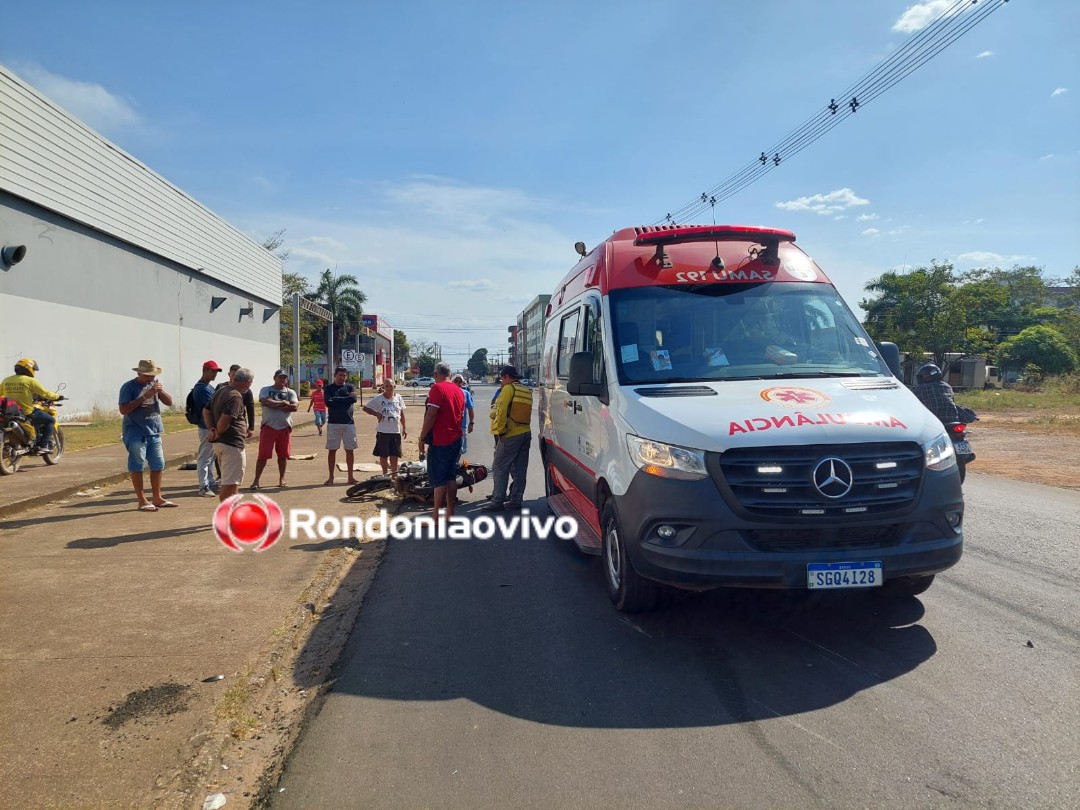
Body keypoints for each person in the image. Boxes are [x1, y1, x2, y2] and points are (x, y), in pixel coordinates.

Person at [118, 359, 177, 511]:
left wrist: (160, 391)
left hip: (154, 430)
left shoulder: (154, 385)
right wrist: (144, 397)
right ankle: (142, 500)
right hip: (135, 431)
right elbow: (123, 410)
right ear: (139, 373)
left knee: (158, 465)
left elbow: (169, 402)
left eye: (152, 375)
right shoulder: (128, 387)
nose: (150, 378)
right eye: (147, 376)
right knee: (137, 465)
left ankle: (157, 497)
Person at [416, 362, 465, 519]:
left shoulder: (437, 388)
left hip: (441, 439)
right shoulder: (459, 391)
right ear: (450, 374)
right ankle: (450, 513)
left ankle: (436, 515)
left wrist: (422, 437)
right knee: (451, 476)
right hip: (456, 438)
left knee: (439, 479)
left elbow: (431, 414)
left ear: (436, 374)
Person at [484, 364, 533, 512]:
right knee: (520, 469)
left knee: (499, 467)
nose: (502, 382)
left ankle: (497, 501)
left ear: (507, 377)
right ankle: (516, 499)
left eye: (502, 379)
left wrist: (500, 431)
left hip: (511, 434)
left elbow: (501, 412)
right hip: (526, 433)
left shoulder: (508, 389)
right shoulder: (526, 390)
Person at [204, 367, 255, 502]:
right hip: (231, 443)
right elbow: (225, 420)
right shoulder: (235, 396)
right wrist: (217, 432)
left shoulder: (221, 390)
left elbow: (206, 411)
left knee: (232, 482)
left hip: (223, 443)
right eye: (251, 382)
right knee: (229, 484)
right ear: (247, 382)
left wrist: (211, 430)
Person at [0, 358, 62, 452]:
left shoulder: (6, 380)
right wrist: (58, 396)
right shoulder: (30, 381)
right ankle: (43, 446)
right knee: (50, 420)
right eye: (33, 369)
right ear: (28, 368)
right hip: (26, 412)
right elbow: (45, 393)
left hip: (10, 411)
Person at [251, 370, 299, 489]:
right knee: (263, 455)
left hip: (284, 427)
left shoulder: (290, 392)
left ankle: (282, 478)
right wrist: (283, 403)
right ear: (274, 378)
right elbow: (265, 401)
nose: (282, 380)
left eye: (284, 378)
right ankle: (256, 480)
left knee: (283, 455)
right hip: (268, 427)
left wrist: (275, 404)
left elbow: (294, 407)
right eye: (280, 377)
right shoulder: (266, 389)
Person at [362, 379, 407, 477]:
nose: (389, 388)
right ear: (383, 387)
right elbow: (365, 408)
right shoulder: (379, 398)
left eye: (391, 386)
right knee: (383, 454)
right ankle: (385, 474)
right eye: (386, 386)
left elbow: (402, 413)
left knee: (394, 454)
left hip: (395, 431)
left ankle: (394, 474)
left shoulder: (399, 397)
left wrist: (404, 427)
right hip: (383, 431)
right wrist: (376, 413)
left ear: (394, 386)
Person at [323, 366, 359, 486]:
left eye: (344, 375)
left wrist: (336, 400)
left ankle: (350, 477)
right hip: (333, 423)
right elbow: (328, 402)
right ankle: (331, 477)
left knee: (350, 450)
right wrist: (346, 399)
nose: (342, 377)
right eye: (340, 375)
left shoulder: (350, 387)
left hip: (349, 423)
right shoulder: (328, 388)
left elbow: (353, 399)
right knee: (332, 450)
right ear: (335, 375)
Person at [191, 360, 222, 496]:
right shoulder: (202, 389)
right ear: (205, 371)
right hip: (206, 427)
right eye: (212, 371)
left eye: (216, 371)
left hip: (209, 426)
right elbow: (212, 408)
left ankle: (210, 481)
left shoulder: (207, 387)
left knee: (210, 456)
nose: (215, 374)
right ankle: (203, 486)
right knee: (205, 457)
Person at [216, 364, 255, 438]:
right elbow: (209, 408)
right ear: (229, 374)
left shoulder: (247, 391)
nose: (235, 378)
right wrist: (215, 430)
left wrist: (251, 427)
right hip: (221, 425)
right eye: (234, 375)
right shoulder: (221, 388)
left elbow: (250, 409)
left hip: (237, 427)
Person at [452, 374, 475, 456]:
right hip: (450, 426)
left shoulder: (466, 393)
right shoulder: (449, 393)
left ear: (463, 383)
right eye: (456, 381)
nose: (458, 383)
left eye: (460, 381)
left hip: (462, 426)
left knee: (460, 449)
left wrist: (471, 423)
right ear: (452, 382)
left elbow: (470, 409)